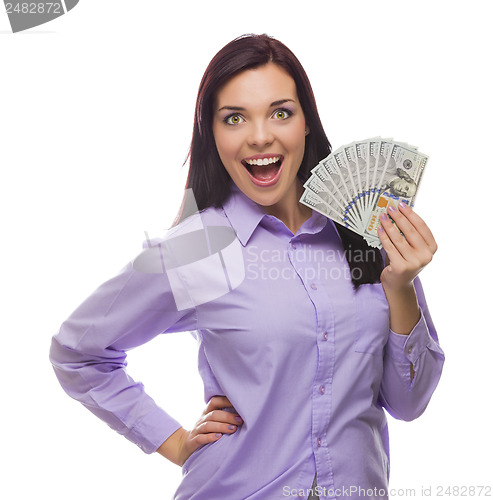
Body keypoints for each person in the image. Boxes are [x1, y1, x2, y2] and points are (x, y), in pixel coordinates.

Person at [49, 34, 445, 499]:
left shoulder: (364, 235)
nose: (260, 136)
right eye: (234, 118)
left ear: (306, 126)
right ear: (211, 134)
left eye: (281, 112)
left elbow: (409, 404)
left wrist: (400, 288)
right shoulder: (199, 248)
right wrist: (175, 442)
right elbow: (77, 352)